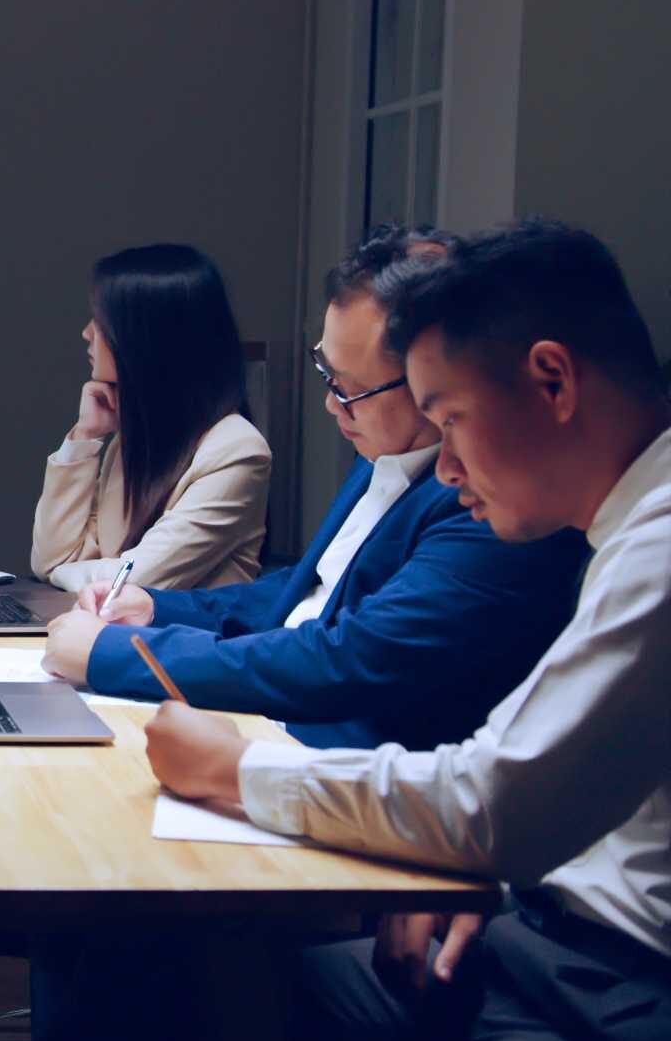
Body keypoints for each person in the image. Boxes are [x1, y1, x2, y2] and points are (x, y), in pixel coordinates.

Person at [145, 219, 671, 1041]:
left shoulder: (659, 544)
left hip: (619, 998)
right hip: (539, 938)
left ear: (552, 381)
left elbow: (497, 802)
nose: (449, 468)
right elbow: (549, 792)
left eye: (452, 421)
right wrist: (493, 884)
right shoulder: (626, 530)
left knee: (215, 985)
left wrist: (232, 772)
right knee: (197, 981)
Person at [37, 226, 585, 751]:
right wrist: (156, 608)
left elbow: (347, 657)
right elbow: (302, 596)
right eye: (328, 375)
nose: (331, 405)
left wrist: (121, 654)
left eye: (352, 390)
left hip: (332, 753)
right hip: (271, 725)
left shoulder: (491, 497)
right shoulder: (380, 453)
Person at [30, 244, 272, 592]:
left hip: (179, 645)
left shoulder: (238, 450)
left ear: (146, 337)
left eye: (100, 321)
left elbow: (132, 582)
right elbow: (50, 558)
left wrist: (66, 573)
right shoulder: (132, 442)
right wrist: (84, 438)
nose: (86, 332)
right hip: (116, 636)